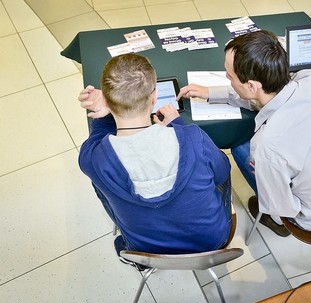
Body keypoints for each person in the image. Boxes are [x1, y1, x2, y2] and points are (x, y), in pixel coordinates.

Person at [177, 30, 311, 237]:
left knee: (240, 148)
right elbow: (273, 96)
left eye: (229, 76)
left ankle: (278, 226)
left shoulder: (267, 146)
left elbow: (281, 208)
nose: (228, 79)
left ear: (252, 85)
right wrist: (213, 93)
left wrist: (267, 168)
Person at [78, 53, 233, 255]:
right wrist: (178, 125)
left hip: (144, 250)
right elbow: (222, 173)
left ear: (106, 101)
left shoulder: (92, 158)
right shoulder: (194, 138)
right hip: (212, 241)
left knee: (99, 185)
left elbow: (97, 138)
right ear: (154, 96)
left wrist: (104, 116)